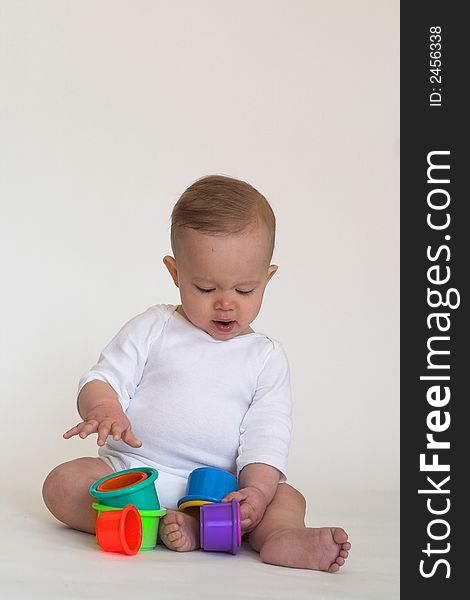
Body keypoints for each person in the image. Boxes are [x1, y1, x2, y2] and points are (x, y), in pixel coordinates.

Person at [42, 175, 350, 571]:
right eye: (205, 288)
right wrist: (104, 406)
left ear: (267, 279)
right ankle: (160, 525)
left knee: (286, 499)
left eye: (244, 291)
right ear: (175, 273)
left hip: (218, 492)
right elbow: (103, 377)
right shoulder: (155, 326)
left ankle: (276, 537)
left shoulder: (265, 357)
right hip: (135, 476)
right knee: (63, 484)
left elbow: (266, 437)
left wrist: (255, 491)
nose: (226, 304)